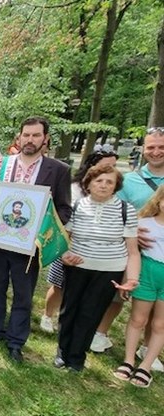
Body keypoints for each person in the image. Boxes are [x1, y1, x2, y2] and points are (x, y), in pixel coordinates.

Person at [0, 117, 72, 363]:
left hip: (28, 246)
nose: (30, 140)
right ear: (19, 137)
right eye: (26, 135)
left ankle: (16, 342)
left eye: (36, 135)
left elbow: (64, 209)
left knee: (23, 295)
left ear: (45, 138)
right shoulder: (2, 164)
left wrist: (43, 226)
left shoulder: (58, 170)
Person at [55, 165, 139, 372]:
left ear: (116, 186)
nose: (103, 185)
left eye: (109, 182)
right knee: (69, 310)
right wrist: (64, 256)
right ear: (89, 183)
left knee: (90, 313)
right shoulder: (77, 206)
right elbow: (65, 238)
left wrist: (131, 278)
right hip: (78, 267)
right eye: (99, 180)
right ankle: (62, 352)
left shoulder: (126, 210)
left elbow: (133, 251)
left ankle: (76, 357)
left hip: (108, 270)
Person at [93, 128, 164, 367]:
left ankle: (147, 347)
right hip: (128, 247)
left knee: (156, 302)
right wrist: (133, 233)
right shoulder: (130, 179)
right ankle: (100, 333)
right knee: (116, 293)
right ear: (144, 149)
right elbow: (114, 209)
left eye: (161, 147)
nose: (156, 152)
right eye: (151, 147)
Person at [41, 144, 118, 335]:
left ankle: (69, 322)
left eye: (114, 166)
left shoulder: (114, 195)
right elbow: (67, 214)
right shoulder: (75, 188)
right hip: (70, 243)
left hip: (94, 250)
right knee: (59, 284)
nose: (111, 170)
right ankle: (47, 315)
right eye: (106, 165)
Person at [115, 186, 164, 387]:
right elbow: (132, 253)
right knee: (138, 319)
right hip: (147, 273)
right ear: (159, 200)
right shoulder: (143, 223)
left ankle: (146, 365)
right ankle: (128, 360)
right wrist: (129, 277)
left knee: (160, 324)